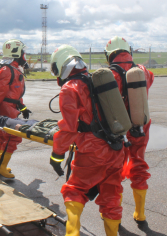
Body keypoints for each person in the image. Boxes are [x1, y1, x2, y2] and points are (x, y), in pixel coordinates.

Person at [49, 45, 124, 236]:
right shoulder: (96, 80)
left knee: (74, 190)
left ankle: (72, 233)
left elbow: (68, 128)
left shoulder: (70, 88)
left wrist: (57, 154)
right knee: (111, 195)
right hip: (116, 147)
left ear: (60, 66)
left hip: (93, 151)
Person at [105, 36, 154, 225]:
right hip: (140, 126)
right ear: (129, 51)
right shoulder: (143, 71)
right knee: (139, 164)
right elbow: (149, 81)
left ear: (109, 55)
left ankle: (111, 214)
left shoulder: (110, 74)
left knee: (113, 170)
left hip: (118, 128)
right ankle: (140, 213)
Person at [0, 39, 30, 178]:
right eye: (24, 53)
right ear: (17, 53)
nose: (25, 56)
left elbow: (15, 93)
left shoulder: (14, 70)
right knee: (12, 138)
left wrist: (22, 107)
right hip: (6, 109)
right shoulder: (8, 70)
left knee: (2, 136)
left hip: (10, 107)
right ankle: (1, 167)